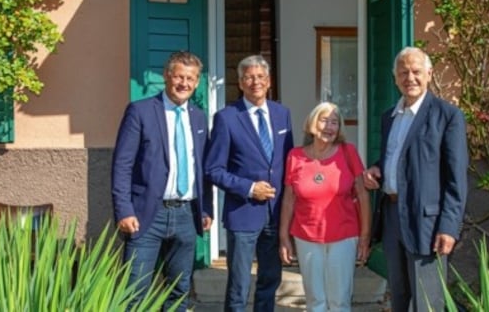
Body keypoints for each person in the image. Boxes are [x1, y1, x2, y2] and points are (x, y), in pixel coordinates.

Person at [362, 47, 469, 312]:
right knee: (399, 296)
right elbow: (396, 158)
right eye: (403, 72)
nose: (410, 77)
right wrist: (376, 169)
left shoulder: (447, 116)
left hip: (427, 223)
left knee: (427, 300)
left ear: (429, 74)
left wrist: (449, 226)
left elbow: (456, 178)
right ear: (395, 78)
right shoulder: (389, 116)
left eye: (416, 71)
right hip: (391, 215)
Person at [111, 51, 213, 311]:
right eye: (179, 76)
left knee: (179, 290)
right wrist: (124, 209)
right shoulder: (140, 111)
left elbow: (202, 168)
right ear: (167, 76)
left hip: (186, 215)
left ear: (197, 82)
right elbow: (122, 165)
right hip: (146, 215)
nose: (184, 84)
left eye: (191, 78)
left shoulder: (199, 117)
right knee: (135, 289)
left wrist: (206, 208)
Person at [204, 54, 294, 312]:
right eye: (249, 77)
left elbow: (289, 162)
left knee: (270, 280)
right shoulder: (227, 117)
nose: (256, 82)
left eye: (261, 77)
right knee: (239, 284)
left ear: (269, 81)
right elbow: (213, 169)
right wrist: (250, 188)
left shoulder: (282, 114)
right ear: (240, 83)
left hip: (276, 213)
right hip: (243, 213)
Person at [278, 102, 371, 312]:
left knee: (339, 300)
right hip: (306, 235)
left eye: (334, 122)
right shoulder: (296, 156)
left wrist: (365, 236)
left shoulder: (348, 152)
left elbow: (363, 196)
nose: (329, 127)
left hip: (344, 235)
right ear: (312, 123)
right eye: (324, 120)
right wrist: (284, 236)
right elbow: (288, 199)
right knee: (315, 300)